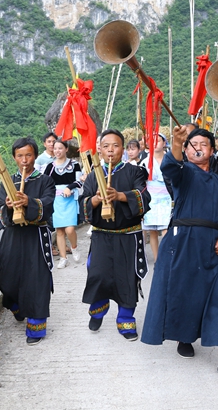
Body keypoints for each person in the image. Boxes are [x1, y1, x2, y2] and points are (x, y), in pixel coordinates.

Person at [142, 127, 218, 383]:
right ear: (187, 150)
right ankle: (184, 337)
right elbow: (170, 167)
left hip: (215, 243)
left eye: (203, 144)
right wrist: (176, 143)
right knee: (185, 292)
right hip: (184, 240)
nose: (197, 147)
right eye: (192, 144)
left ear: (211, 150)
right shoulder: (183, 173)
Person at [81, 129, 151, 341]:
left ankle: (125, 320)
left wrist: (120, 196)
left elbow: (144, 198)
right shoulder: (93, 176)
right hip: (102, 236)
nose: (111, 150)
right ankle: (98, 310)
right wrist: (94, 200)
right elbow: (83, 205)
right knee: (98, 275)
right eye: (106, 146)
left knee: (127, 279)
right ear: (100, 150)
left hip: (128, 236)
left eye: (116, 146)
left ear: (123, 148)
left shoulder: (135, 172)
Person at [0, 137, 56, 345]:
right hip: (13, 236)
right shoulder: (7, 182)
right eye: (20, 156)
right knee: (7, 279)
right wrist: (9, 206)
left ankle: (36, 327)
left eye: (28, 155)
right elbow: (0, 211)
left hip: (36, 236)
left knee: (37, 280)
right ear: (14, 158)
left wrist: (29, 201)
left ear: (35, 156)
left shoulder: (45, 180)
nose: (24, 160)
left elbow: (48, 205)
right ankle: (17, 306)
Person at [43, 139, 83, 268]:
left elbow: (79, 182)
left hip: (70, 200)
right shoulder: (50, 166)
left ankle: (74, 247)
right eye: (55, 148)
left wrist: (69, 187)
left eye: (60, 148)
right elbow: (45, 184)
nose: (57, 151)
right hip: (56, 201)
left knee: (70, 229)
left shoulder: (74, 164)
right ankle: (63, 258)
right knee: (59, 231)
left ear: (66, 149)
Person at [140, 133, 171, 265]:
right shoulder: (145, 162)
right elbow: (141, 182)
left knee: (166, 229)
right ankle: (157, 258)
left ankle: (167, 257)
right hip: (151, 198)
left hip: (167, 197)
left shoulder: (170, 159)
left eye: (158, 141)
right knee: (152, 231)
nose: (155, 143)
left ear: (164, 143)